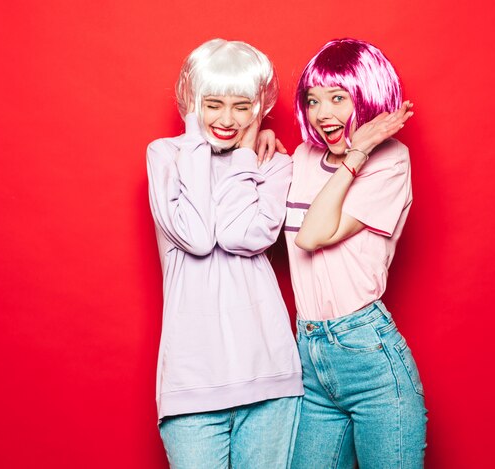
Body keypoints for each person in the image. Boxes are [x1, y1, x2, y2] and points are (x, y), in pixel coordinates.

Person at [146, 38, 303, 469]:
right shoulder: (166, 155)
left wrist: (246, 156)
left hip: (269, 376)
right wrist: (196, 141)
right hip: (191, 381)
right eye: (213, 104)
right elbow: (197, 236)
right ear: (192, 102)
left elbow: (238, 234)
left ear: (258, 107)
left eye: (242, 106)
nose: (227, 119)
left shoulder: (272, 164)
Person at [284, 38, 427, 468]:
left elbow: (312, 236)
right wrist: (260, 135)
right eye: (313, 100)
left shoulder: (389, 161)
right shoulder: (303, 158)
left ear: (366, 98)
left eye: (337, 98)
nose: (323, 113)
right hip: (308, 355)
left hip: (368, 355)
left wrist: (358, 152)